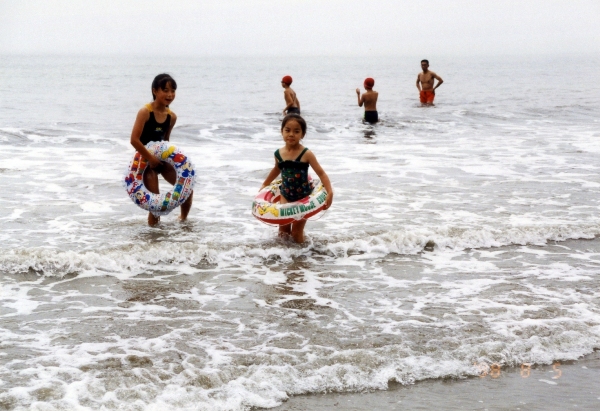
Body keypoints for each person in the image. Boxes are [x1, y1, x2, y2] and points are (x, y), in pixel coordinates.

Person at [129, 73, 193, 226]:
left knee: (187, 189)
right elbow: (134, 140)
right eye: (165, 90)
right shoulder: (145, 112)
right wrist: (151, 159)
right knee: (155, 201)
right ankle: (153, 234)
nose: (170, 94)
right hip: (144, 161)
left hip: (161, 160)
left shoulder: (172, 117)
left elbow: (166, 142)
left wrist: (166, 161)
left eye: (173, 91)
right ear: (155, 91)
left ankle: (184, 223)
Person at [260, 114, 333, 243]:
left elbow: (321, 173)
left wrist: (330, 192)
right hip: (285, 195)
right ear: (282, 132)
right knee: (283, 231)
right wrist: (265, 184)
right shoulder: (278, 154)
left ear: (302, 134)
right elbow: (277, 169)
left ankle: (303, 253)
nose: (291, 134)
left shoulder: (306, 154)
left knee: (296, 232)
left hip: (303, 197)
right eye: (287, 130)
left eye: (296, 131)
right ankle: (284, 254)